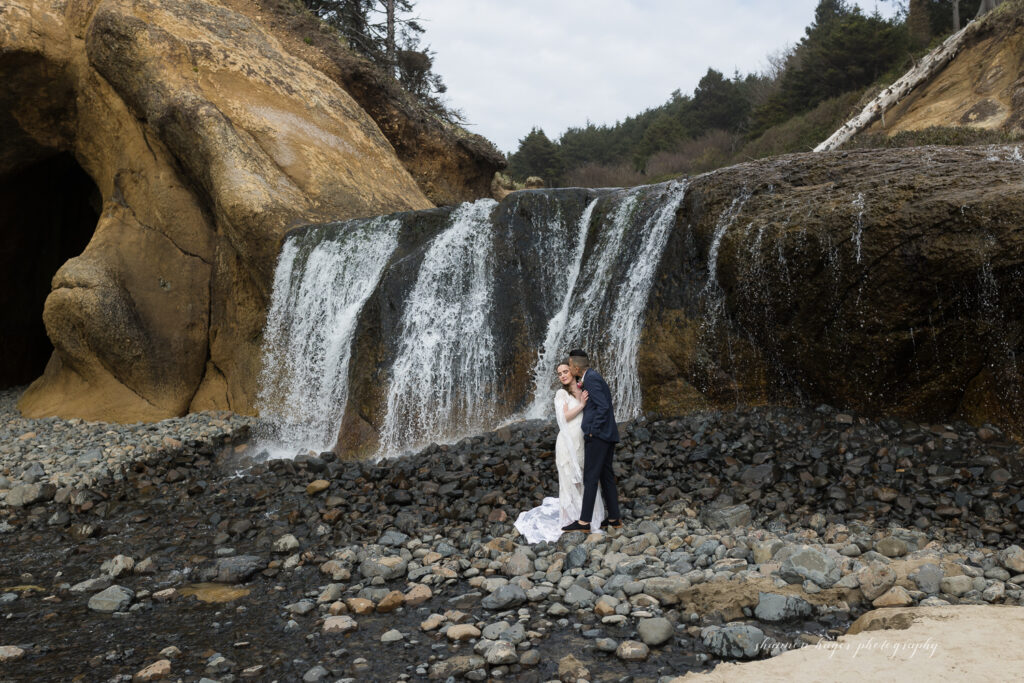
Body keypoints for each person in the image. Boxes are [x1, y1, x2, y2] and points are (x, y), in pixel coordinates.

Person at [514, 361, 605, 543]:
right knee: (569, 480)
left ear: (573, 372)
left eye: (565, 371)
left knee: (585, 479)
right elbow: (563, 417)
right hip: (567, 442)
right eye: (559, 373)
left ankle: (586, 518)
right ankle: (570, 520)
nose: (562, 375)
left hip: (583, 442)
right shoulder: (561, 394)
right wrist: (581, 405)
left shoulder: (584, 389)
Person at [562, 349, 623, 533]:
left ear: (575, 367)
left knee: (590, 477)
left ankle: (584, 522)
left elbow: (603, 406)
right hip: (606, 435)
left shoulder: (590, 379)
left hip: (599, 436)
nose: (569, 368)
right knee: (606, 476)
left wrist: (592, 431)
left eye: (569, 365)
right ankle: (614, 518)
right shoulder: (591, 377)